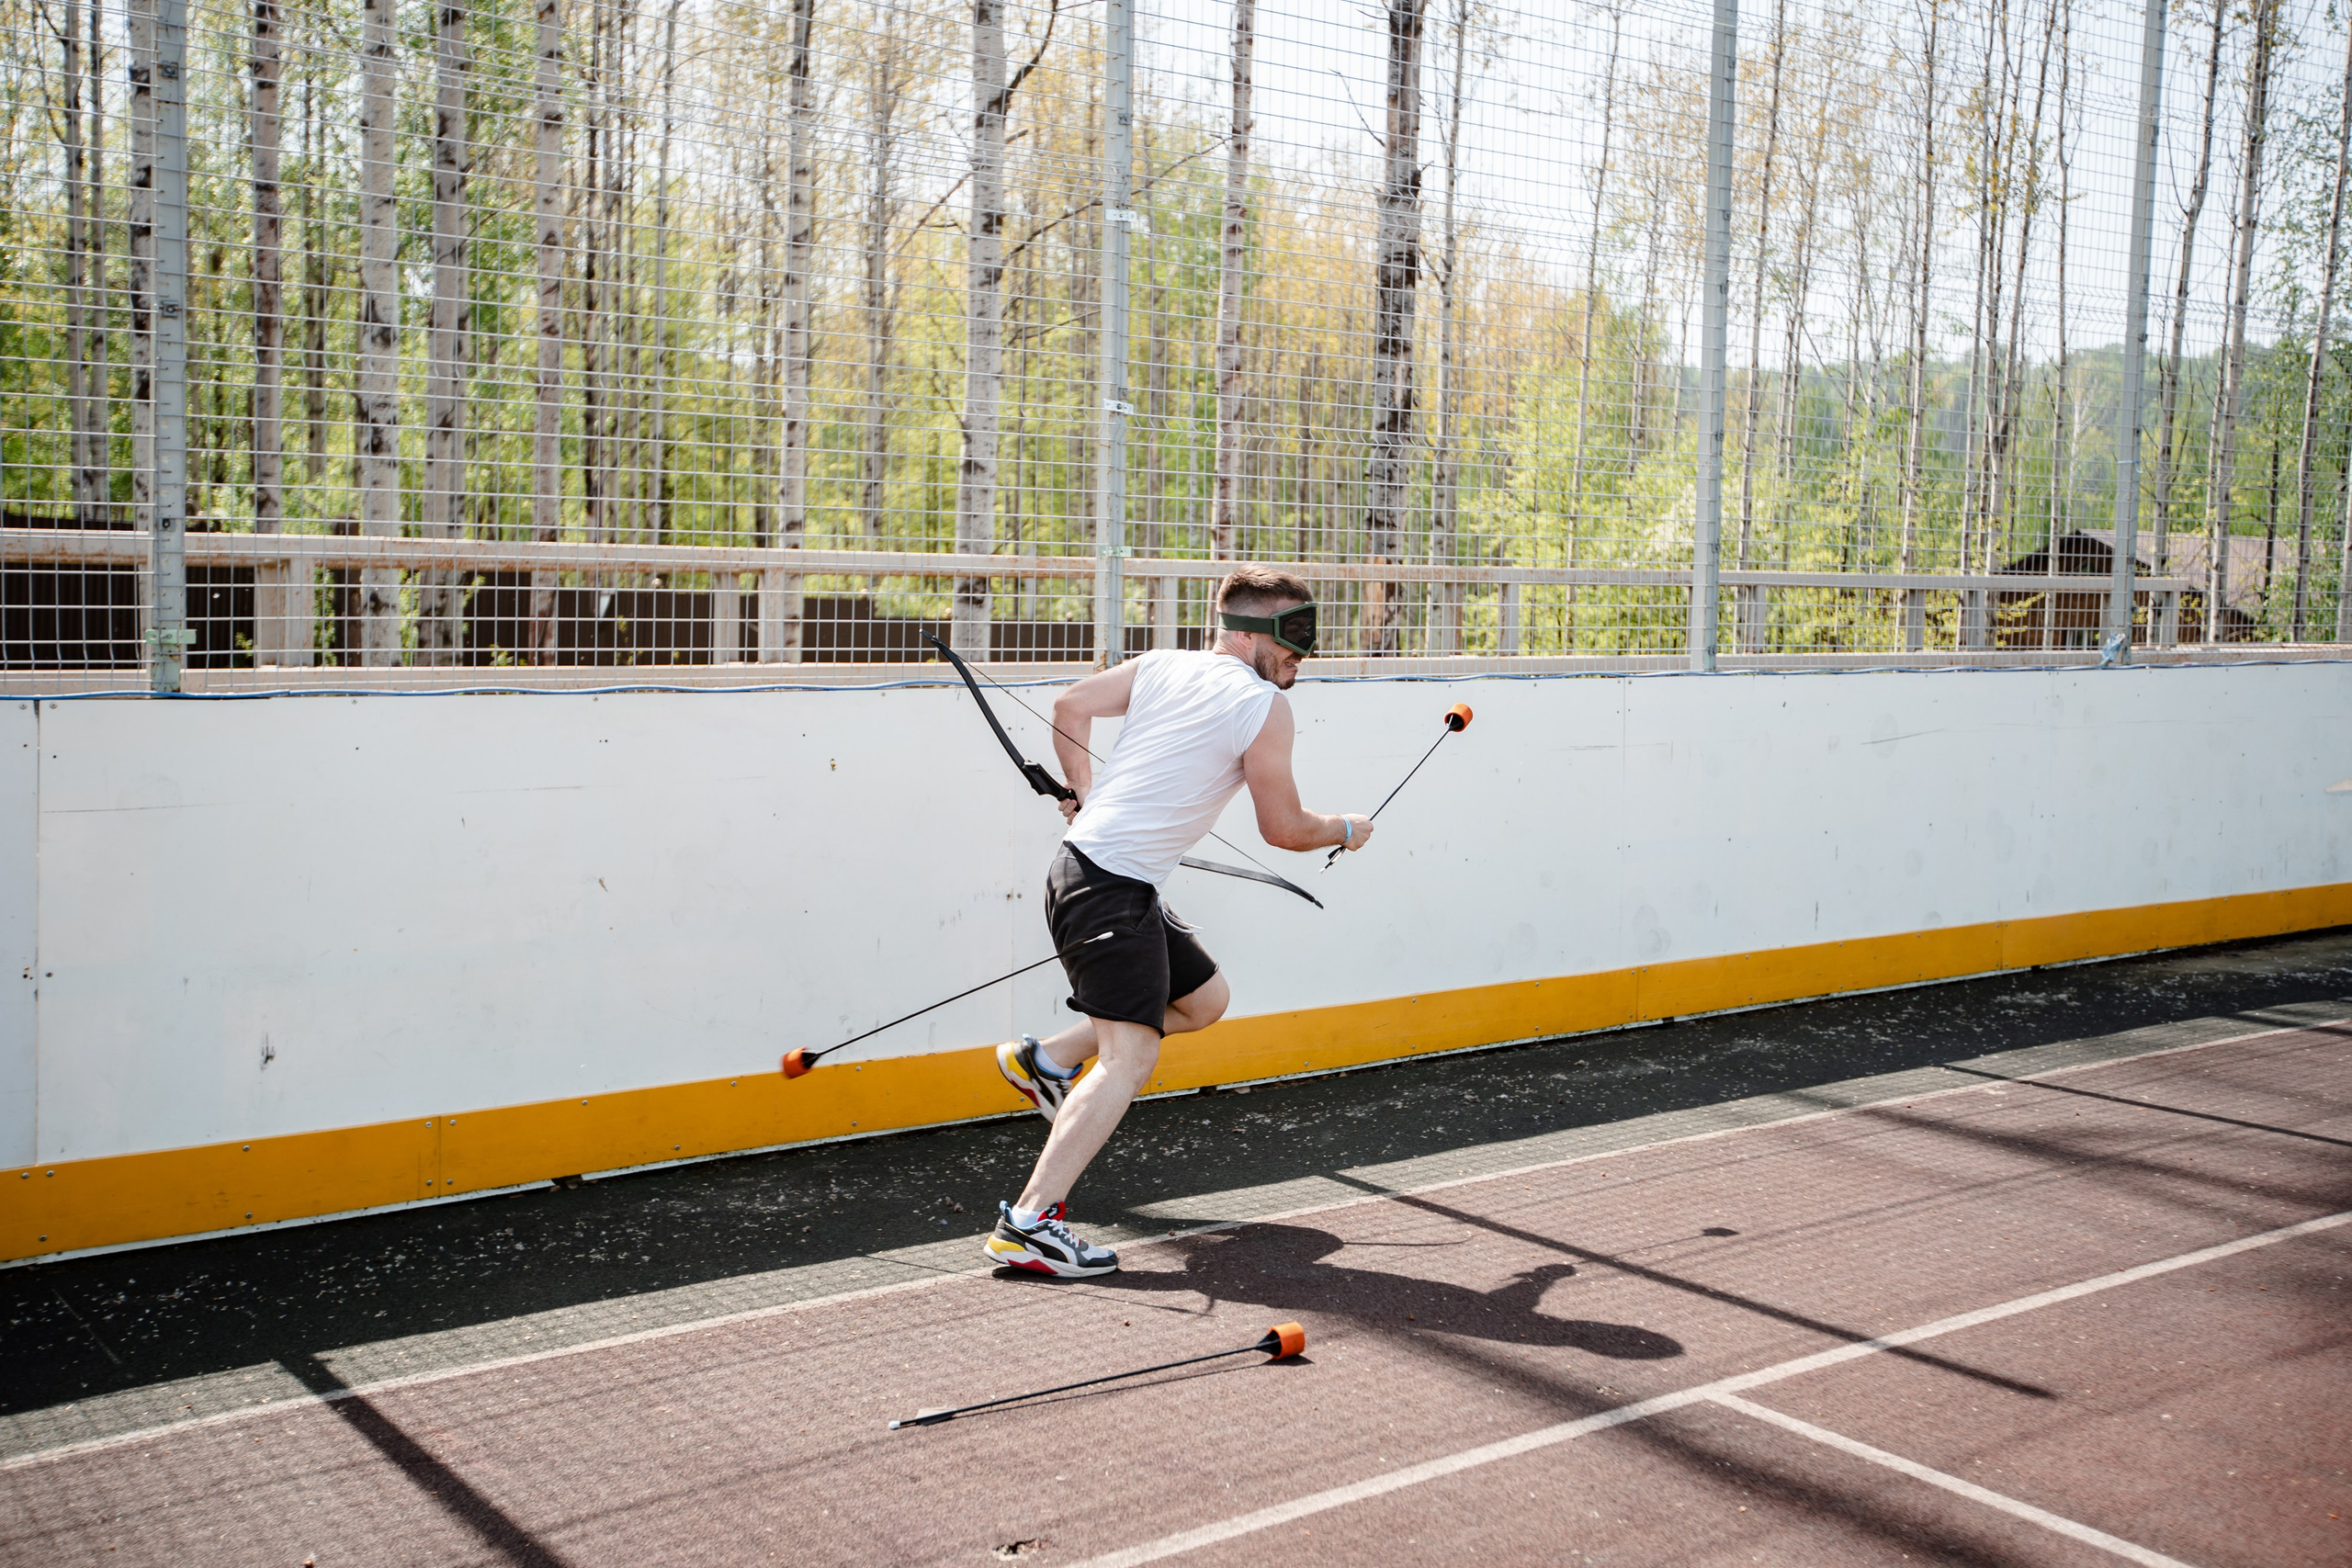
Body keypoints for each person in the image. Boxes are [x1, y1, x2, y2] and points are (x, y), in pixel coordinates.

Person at [982, 565, 1373, 1278]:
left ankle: (1045, 1059)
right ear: (1250, 632)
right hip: (1108, 888)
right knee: (1130, 1059)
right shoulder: (1261, 705)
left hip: (1093, 875)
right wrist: (1346, 826)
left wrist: (1083, 794)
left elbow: (1071, 704)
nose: (1302, 653)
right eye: (1293, 637)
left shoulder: (1164, 666)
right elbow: (1284, 829)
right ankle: (1031, 1221)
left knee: (1204, 1000)